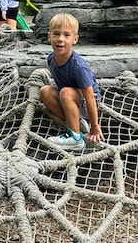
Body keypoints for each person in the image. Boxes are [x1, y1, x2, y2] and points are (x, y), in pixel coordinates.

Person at [39, 13, 104, 152]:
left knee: (66, 92)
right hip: (70, 98)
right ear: (49, 36)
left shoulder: (78, 66)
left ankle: (75, 139)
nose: (60, 39)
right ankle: (76, 124)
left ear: (75, 39)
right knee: (44, 91)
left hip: (87, 103)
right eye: (56, 34)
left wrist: (95, 127)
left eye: (66, 35)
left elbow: (90, 96)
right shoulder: (51, 59)